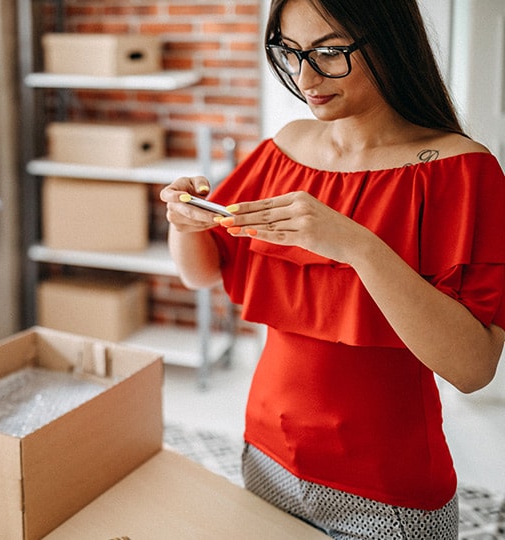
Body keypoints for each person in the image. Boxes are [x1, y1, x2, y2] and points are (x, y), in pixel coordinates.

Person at [160, 0, 505, 538]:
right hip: (266, 454)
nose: (305, 76)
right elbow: (200, 275)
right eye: (291, 52)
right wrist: (184, 224)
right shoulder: (287, 147)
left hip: (387, 489)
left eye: (330, 52)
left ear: (390, 42)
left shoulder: (459, 169)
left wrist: (357, 245)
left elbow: (473, 368)